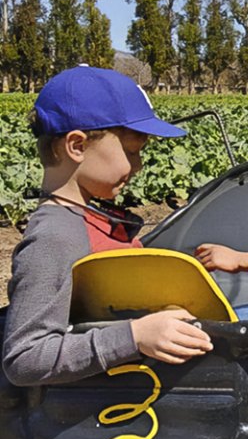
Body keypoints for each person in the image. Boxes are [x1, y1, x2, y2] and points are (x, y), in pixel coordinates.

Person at [2, 66, 213, 387]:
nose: (138, 165)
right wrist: (134, 337)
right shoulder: (54, 237)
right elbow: (25, 357)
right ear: (77, 146)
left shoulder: (89, 214)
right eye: (131, 151)